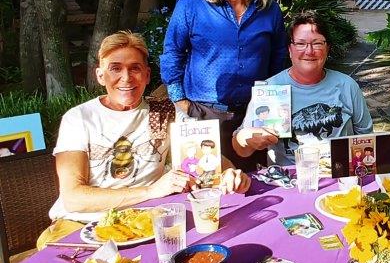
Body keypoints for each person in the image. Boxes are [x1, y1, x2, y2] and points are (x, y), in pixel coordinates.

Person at [39, 31, 251, 247]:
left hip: (145, 222)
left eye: (135, 68)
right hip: (80, 223)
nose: (126, 77)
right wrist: (151, 191)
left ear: (147, 75)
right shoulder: (80, 118)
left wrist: (229, 174)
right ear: (100, 76)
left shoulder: (164, 112)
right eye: (115, 68)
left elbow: (212, 158)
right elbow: (73, 197)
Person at [160, 0, 288, 169]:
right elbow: (172, 53)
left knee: (253, 182)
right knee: (205, 179)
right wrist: (180, 101)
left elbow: (279, 59)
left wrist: (276, 107)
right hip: (203, 112)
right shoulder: (191, 4)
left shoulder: (270, 10)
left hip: (253, 114)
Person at [233, 11, 373, 165]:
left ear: (328, 48)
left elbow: (367, 139)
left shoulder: (347, 86)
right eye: (300, 43)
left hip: (340, 178)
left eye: (317, 43)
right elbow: (241, 150)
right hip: (288, 181)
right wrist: (246, 139)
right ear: (290, 49)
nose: (309, 51)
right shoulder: (270, 88)